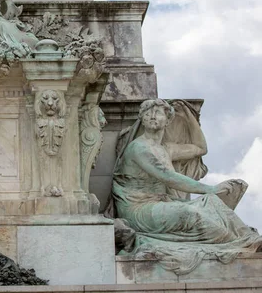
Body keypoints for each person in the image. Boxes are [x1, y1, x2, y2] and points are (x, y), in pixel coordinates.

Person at [112, 99, 262, 274]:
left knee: (212, 203)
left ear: (168, 120)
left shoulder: (165, 149)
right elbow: (168, 177)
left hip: (161, 203)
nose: (152, 116)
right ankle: (239, 245)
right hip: (139, 209)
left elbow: (200, 148)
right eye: (147, 113)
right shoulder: (138, 148)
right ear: (141, 118)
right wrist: (210, 188)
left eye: (158, 113)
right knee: (190, 213)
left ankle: (248, 239)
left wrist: (190, 116)